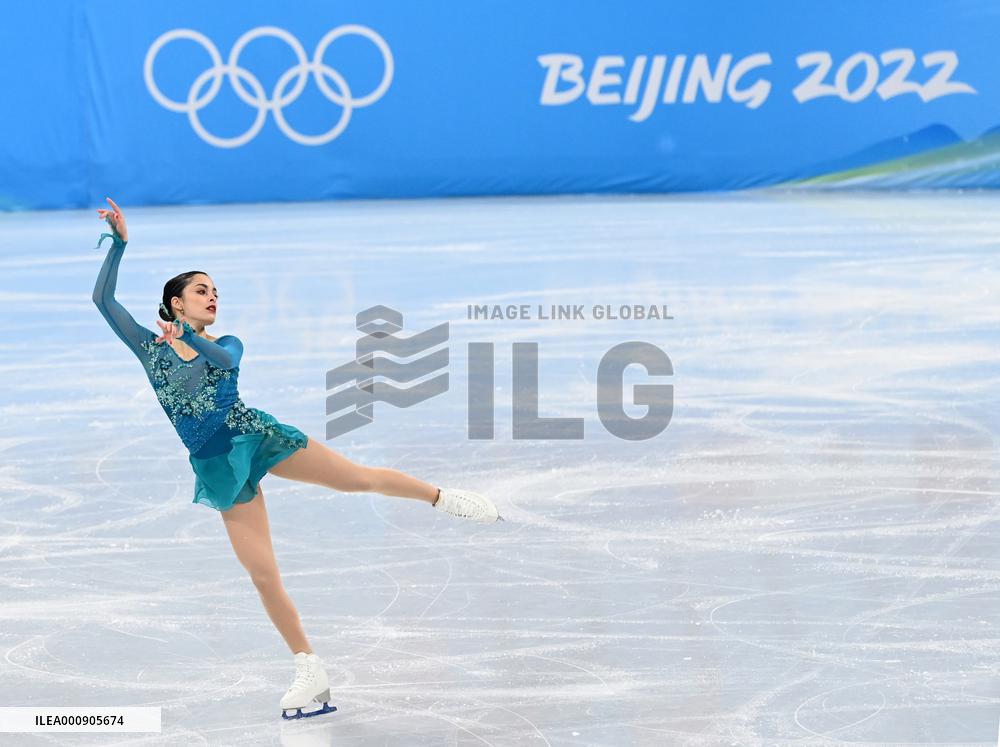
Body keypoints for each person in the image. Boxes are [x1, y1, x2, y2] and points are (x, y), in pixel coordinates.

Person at [91, 197, 502, 719]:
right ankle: (310, 669)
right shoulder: (150, 349)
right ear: (175, 302)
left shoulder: (227, 342)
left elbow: (224, 358)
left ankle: (445, 498)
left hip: (256, 437)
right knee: (263, 574)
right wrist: (120, 247)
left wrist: (192, 334)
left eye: (216, 292)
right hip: (217, 464)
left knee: (357, 479)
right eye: (201, 291)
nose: (213, 297)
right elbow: (103, 300)